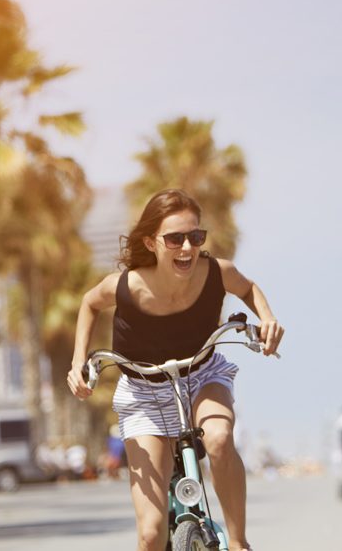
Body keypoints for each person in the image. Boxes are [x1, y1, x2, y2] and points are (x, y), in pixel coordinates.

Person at [66, 189, 284, 551]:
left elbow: (248, 289)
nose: (187, 248)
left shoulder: (216, 273)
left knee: (217, 438)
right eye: (175, 238)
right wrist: (79, 362)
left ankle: (239, 541)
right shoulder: (127, 286)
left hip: (202, 375)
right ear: (151, 242)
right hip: (143, 393)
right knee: (150, 534)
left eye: (195, 237)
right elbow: (89, 304)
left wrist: (268, 320)